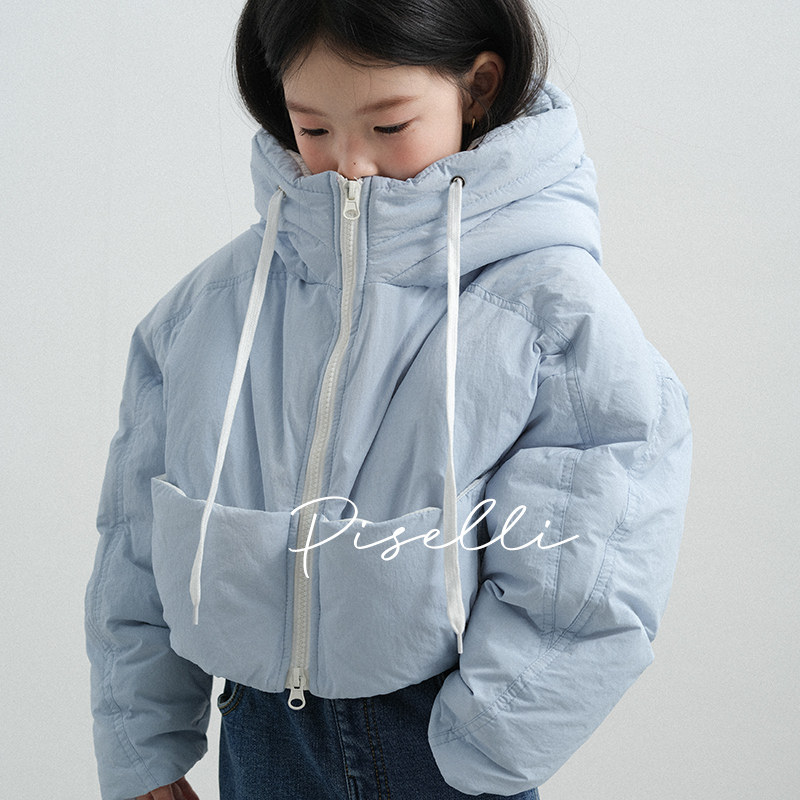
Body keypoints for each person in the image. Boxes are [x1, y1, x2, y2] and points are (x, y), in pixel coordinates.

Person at [85, 0, 693, 798]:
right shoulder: (212, 309)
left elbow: (594, 554)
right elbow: (136, 534)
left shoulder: (551, 312)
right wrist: (141, 743)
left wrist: (487, 742)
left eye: (389, 125)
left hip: (433, 736)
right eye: (313, 128)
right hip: (260, 732)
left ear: (478, 86)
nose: (350, 163)